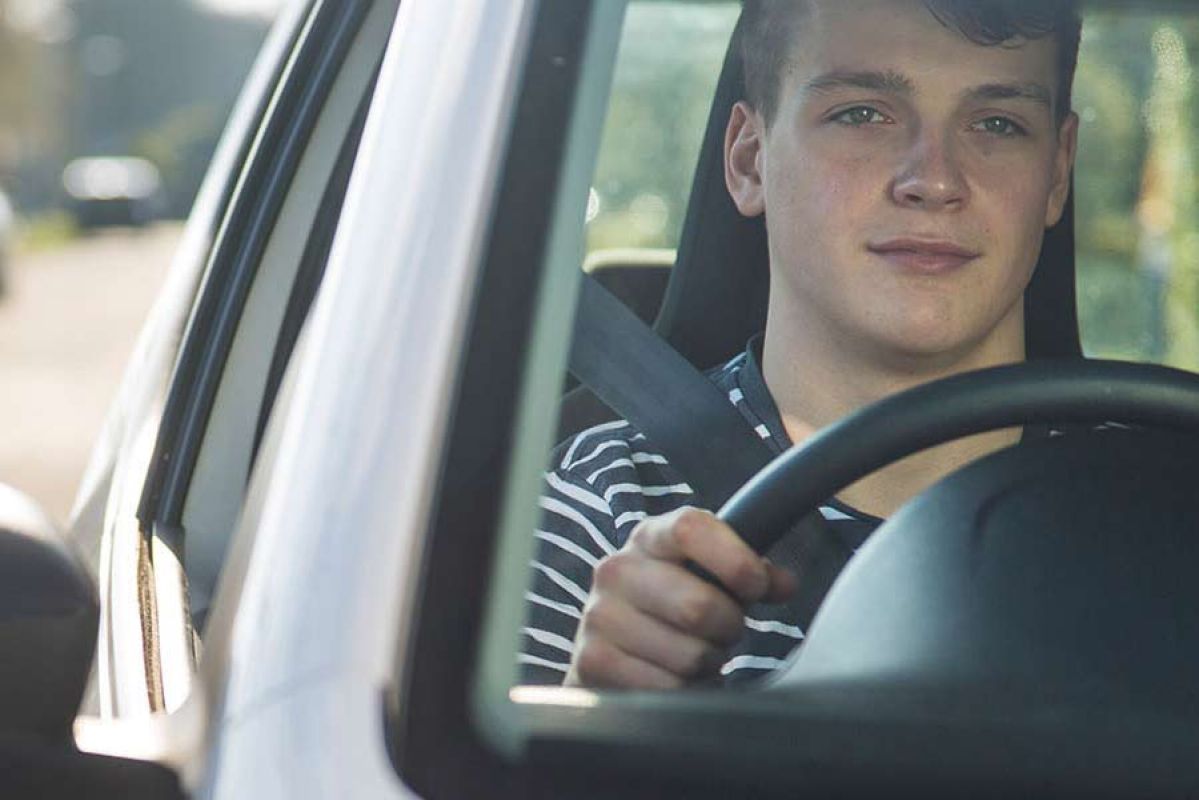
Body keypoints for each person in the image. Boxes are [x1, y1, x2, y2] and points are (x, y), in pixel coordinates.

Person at [520, 0, 1080, 689]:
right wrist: (593, 715)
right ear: (749, 159)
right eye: (861, 114)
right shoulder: (607, 505)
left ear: (1055, 173)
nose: (933, 180)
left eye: (997, 123)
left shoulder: (1160, 500)